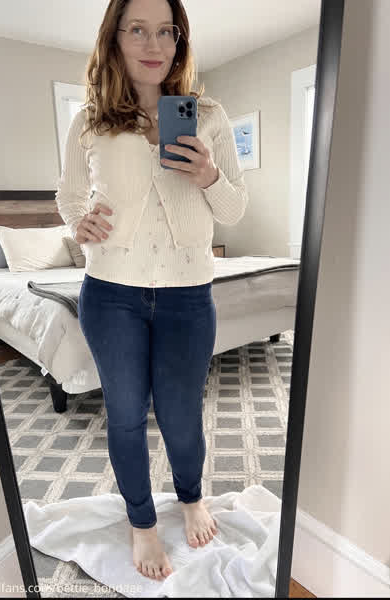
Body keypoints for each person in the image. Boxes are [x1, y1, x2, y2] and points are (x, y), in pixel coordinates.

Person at [55, 0, 248, 582]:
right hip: (111, 294)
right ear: (114, 38)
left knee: (182, 414)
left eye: (167, 31)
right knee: (125, 414)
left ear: (179, 40)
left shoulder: (207, 115)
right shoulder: (89, 120)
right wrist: (78, 223)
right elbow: (68, 195)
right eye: (137, 29)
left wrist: (208, 176)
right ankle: (141, 521)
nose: (153, 44)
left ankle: (191, 497)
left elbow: (234, 210)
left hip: (188, 295)